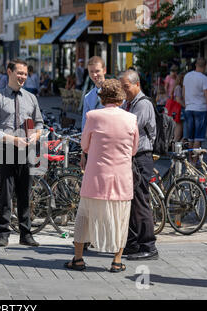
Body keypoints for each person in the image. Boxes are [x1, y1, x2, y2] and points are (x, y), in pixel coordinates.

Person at [65, 79, 139, 272]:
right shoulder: (131, 119)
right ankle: (116, 261)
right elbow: (134, 149)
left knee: (84, 216)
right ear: (121, 99)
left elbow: (85, 146)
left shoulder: (93, 116)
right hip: (121, 176)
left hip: (96, 176)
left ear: (102, 97)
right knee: (121, 217)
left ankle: (79, 258)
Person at [0, 59, 44, 247]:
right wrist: (12, 139)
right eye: (19, 73)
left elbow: (40, 122)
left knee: (25, 193)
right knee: (5, 194)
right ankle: (3, 233)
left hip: (26, 151)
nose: (23, 77)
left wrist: (36, 134)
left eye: (25, 74)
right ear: (9, 72)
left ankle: (25, 233)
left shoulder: (31, 98)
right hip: (6, 150)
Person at [119, 69, 158, 261]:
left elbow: (129, 129)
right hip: (132, 158)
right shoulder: (129, 103)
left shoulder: (143, 105)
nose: (124, 91)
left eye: (126, 87)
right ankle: (133, 244)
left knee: (141, 202)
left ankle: (148, 245)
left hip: (142, 158)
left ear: (137, 84)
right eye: (122, 87)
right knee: (132, 202)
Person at [79, 56, 107, 171]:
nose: (94, 75)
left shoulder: (115, 92)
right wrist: (83, 152)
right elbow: (84, 126)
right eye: (91, 72)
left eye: (97, 71)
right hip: (93, 147)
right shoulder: (88, 97)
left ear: (104, 70)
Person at [183, 57, 207, 161]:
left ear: (195, 64)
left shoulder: (187, 76)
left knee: (190, 137)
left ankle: (191, 161)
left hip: (189, 108)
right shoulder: (204, 78)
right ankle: (194, 163)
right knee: (198, 138)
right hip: (201, 109)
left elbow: (184, 92)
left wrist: (186, 104)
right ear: (204, 66)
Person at [172, 73, 186, 142]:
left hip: (179, 111)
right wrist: (185, 106)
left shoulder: (178, 87)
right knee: (178, 133)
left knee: (179, 132)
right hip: (179, 111)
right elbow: (178, 100)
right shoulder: (178, 87)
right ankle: (174, 148)